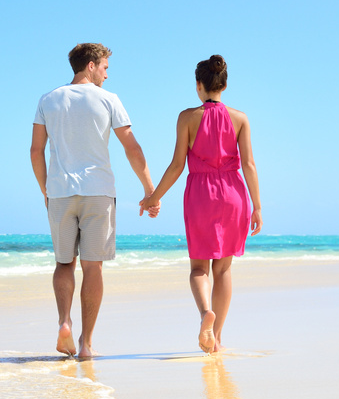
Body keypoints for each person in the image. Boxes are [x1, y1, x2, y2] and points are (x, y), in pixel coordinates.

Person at [31, 43, 154, 359]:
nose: (106, 74)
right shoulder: (109, 100)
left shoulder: (48, 99)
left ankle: (63, 322)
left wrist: (46, 189)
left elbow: (36, 150)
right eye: (105, 68)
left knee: (63, 263)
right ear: (90, 65)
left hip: (59, 192)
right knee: (93, 266)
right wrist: (149, 189)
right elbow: (132, 148)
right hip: (98, 191)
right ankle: (85, 345)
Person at [141, 55, 262, 353]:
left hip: (201, 194)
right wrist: (257, 206)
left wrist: (153, 197)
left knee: (199, 268)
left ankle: (204, 313)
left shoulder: (187, 117)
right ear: (224, 85)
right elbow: (249, 165)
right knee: (223, 270)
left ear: (199, 86)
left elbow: (176, 166)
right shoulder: (241, 118)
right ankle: (216, 337)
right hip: (234, 194)